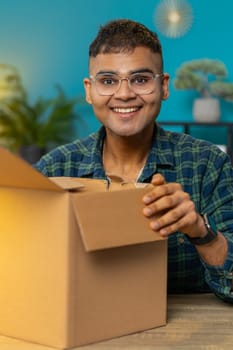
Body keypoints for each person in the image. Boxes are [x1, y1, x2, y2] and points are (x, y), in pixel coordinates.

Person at [35, 18, 233, 303]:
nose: (125, 93)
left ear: (163, 86)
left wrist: (200, 231)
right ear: (89, 90)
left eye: (140, 79)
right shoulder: (54, 169)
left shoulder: (208, 164)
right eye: (108, 81)